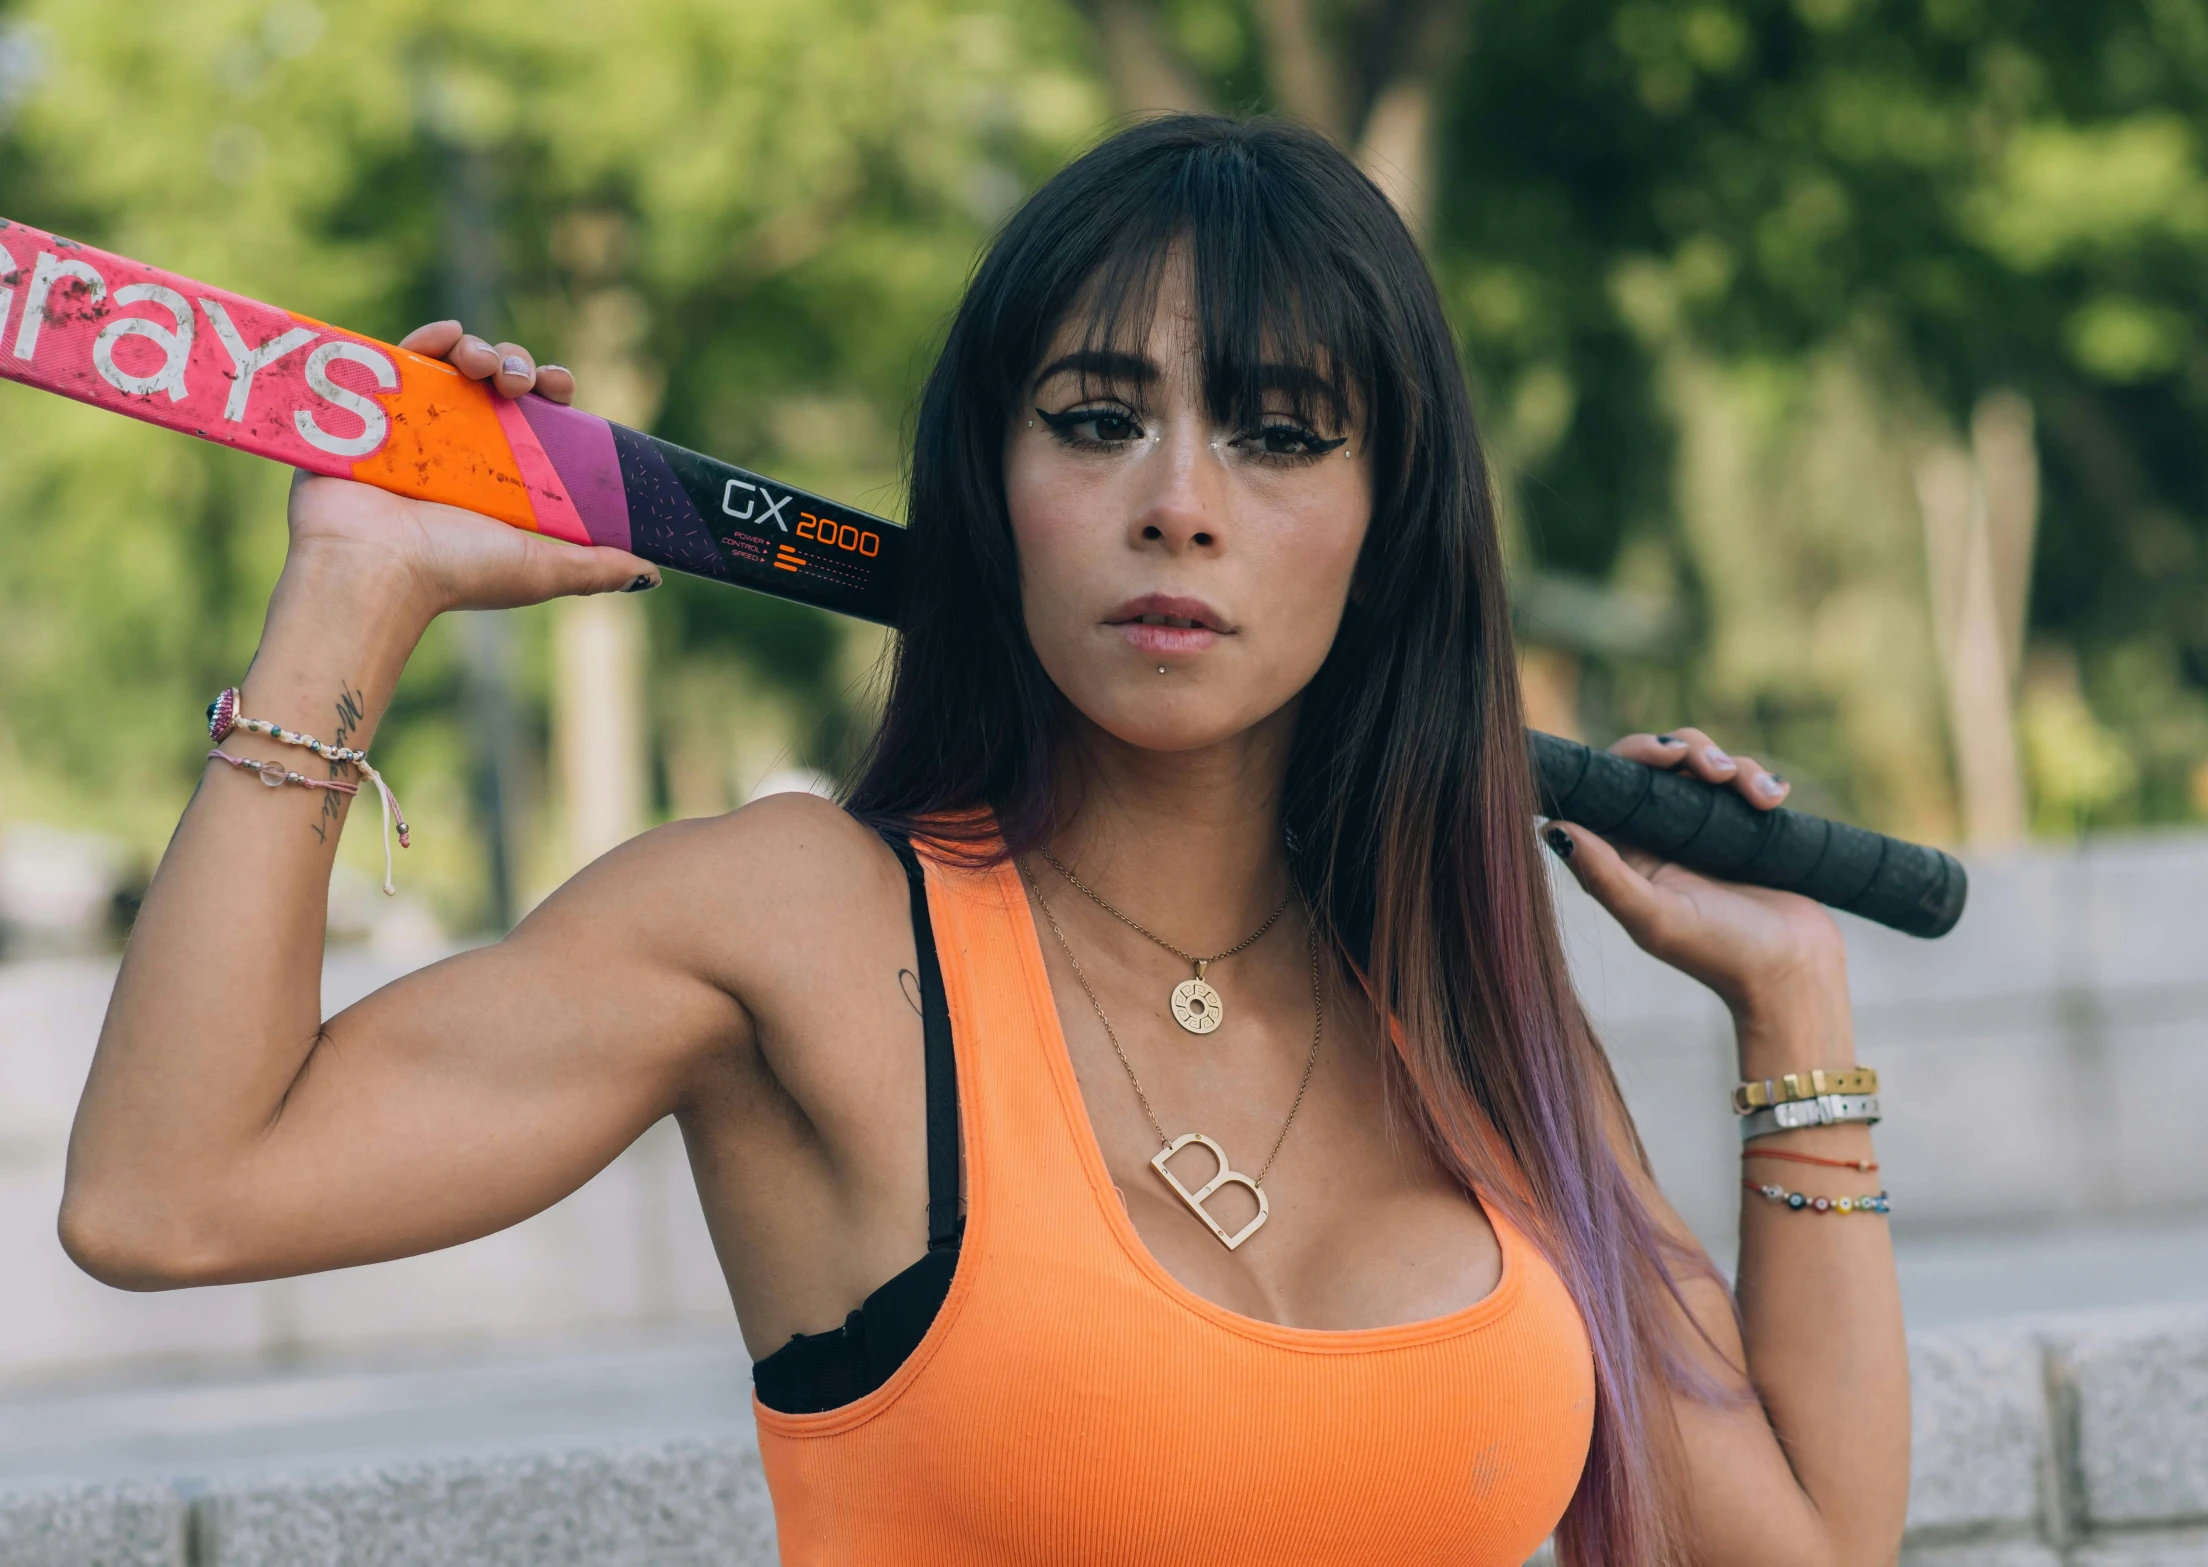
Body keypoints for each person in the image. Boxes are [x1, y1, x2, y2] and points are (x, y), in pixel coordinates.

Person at [60, 115, 1906, 1564]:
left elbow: (1802, 1547)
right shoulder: (795, 927)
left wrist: (1791, 998)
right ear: (988, 481)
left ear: (1385, 520)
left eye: (1278, 437)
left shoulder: (1462, 999)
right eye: (1096, 422)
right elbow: (166, 1199)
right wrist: (350, 595)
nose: (1176, 505)